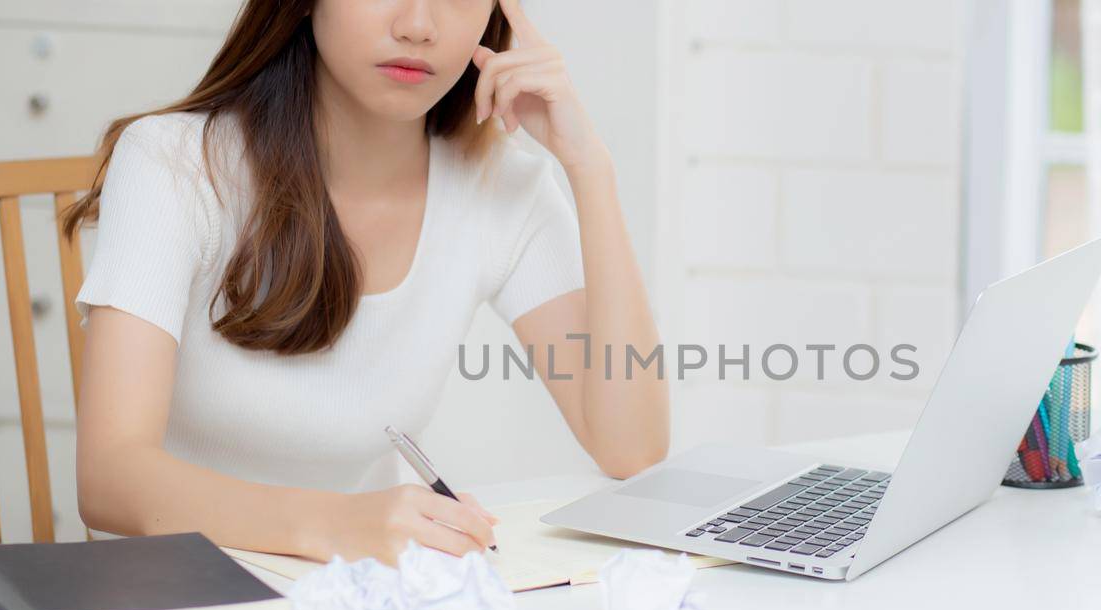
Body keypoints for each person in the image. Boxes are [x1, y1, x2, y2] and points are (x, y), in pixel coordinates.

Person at [62, 0, 669, 564]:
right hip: (180, 598)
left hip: (364, 609)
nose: (418, 25)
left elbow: (630, 446)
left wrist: (589, 165)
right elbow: (110, 477)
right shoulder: (175, 163)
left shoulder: (503, 188)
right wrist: (337, 524)